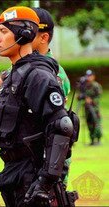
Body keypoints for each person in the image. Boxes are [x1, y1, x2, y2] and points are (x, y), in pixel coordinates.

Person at [0, 6, 76, 206]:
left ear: (24, 34)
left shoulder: (39, 75)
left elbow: (62, 126)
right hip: (15, 172)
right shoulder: (16, 72)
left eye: (3, 32)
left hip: (34, 173)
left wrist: (44, 183)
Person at [32, 7, 73, 187]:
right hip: (29, 160)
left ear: (44, 37)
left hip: (47, 160)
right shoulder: (24, 68)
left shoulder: (52, 76)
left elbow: (56, 125)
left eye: (27, 32)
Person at [78, 69, 102, 145]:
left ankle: (98, 140)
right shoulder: (84, 86)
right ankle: (91, 140)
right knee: (89, 124)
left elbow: (98, 97)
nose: (88, 78)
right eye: (87, 76)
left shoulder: (96, 86)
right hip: (86, 108)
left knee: (96, 123)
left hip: (94, 109)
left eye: (90, 76)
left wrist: (91, 100)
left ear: (93, 76)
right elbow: (81, 96)